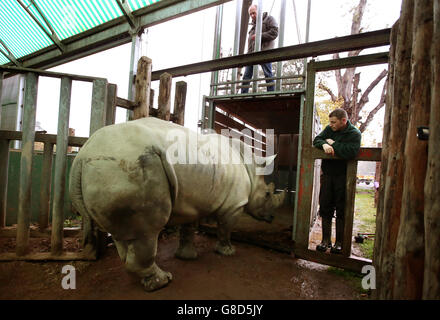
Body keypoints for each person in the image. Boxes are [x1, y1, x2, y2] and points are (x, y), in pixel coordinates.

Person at [312, 108, 361, 254]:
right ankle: (325, 241)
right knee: (325, 206)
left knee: (341, 209)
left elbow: (351, 151)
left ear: (343, 121)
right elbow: (316, 140)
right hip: (328, 175)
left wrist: (333, 144)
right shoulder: (329, 129)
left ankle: (339, 243)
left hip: (344, 177)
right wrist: (325, 144)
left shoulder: (354, 133)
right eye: (330, 122)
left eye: (334, 122)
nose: (331, 125)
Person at [241, 4, 278, 94]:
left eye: (254, 13)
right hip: (252, 54)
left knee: (268, 74)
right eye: (250, 14)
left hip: (264, 52)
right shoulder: (253, 27)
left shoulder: (269, 19)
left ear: (259, 11)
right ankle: (242, 95)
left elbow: (274, 32)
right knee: (246, 76)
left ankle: (271, 94)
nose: (252, 16)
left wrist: (259, 36)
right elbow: (250, 43)